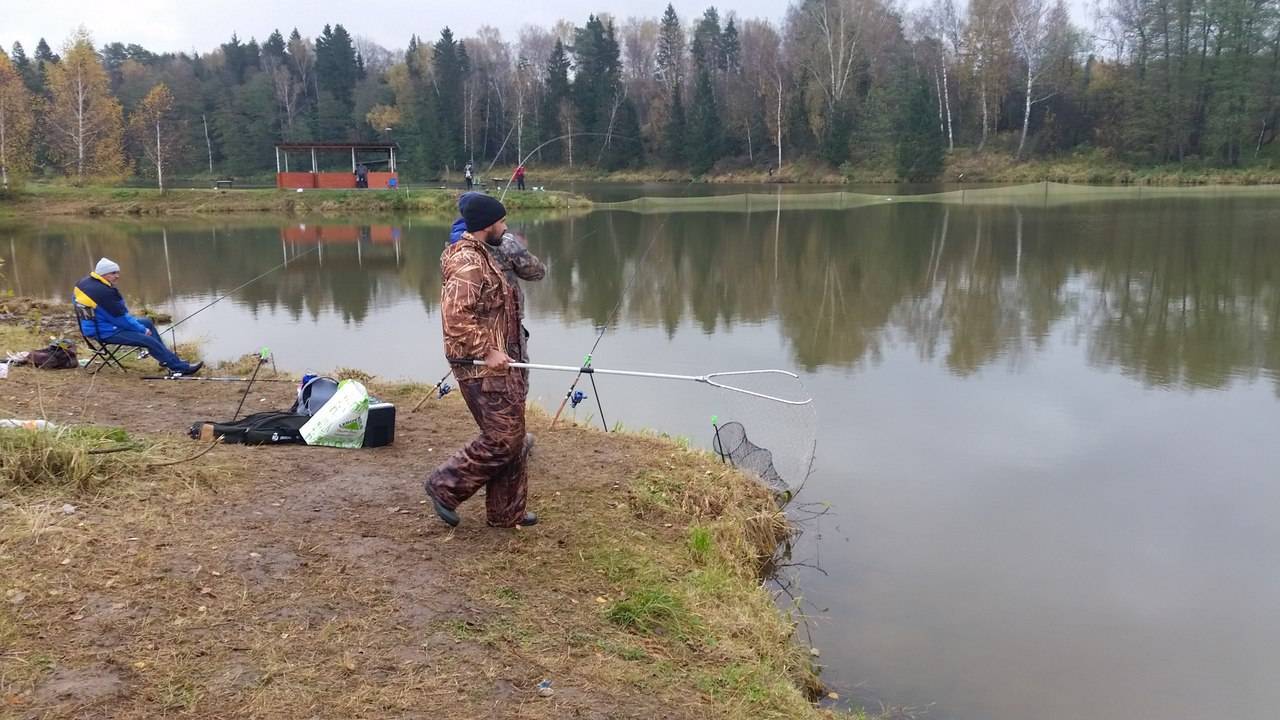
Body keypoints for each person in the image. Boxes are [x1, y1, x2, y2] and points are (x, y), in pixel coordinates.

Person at [426, 195, 536, 529]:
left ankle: (506, 512)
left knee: (513, 437)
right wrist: (488, 351)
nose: (505, 227)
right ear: (488, 225)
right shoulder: (467, 262)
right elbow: (455, 317)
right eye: (501, 222)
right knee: (503, 438)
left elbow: (534, 271)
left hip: (504, 361)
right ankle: (444, 485)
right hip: (480, 366)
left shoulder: (488, 254)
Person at [73, 258, 203, 375]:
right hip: (104, 332)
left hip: (94, 326)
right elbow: (121, 319)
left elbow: (75, 300)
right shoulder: (104, 292)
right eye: (113, 273)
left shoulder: (84, 283)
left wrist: (141, 327)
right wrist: (141, 330)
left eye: (117, 272)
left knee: (147, 322)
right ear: (102, 274)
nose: (117, 276)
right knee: (147, 339)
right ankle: (179, 367)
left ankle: (167, 360)